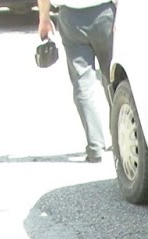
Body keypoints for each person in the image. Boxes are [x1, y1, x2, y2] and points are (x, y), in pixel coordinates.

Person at [39, 0, 116, 163]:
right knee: (113, 78)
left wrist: (44, 18)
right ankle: (120, 137)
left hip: (71, 18)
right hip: (105, 14)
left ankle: (95, 146)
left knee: (82, 84)